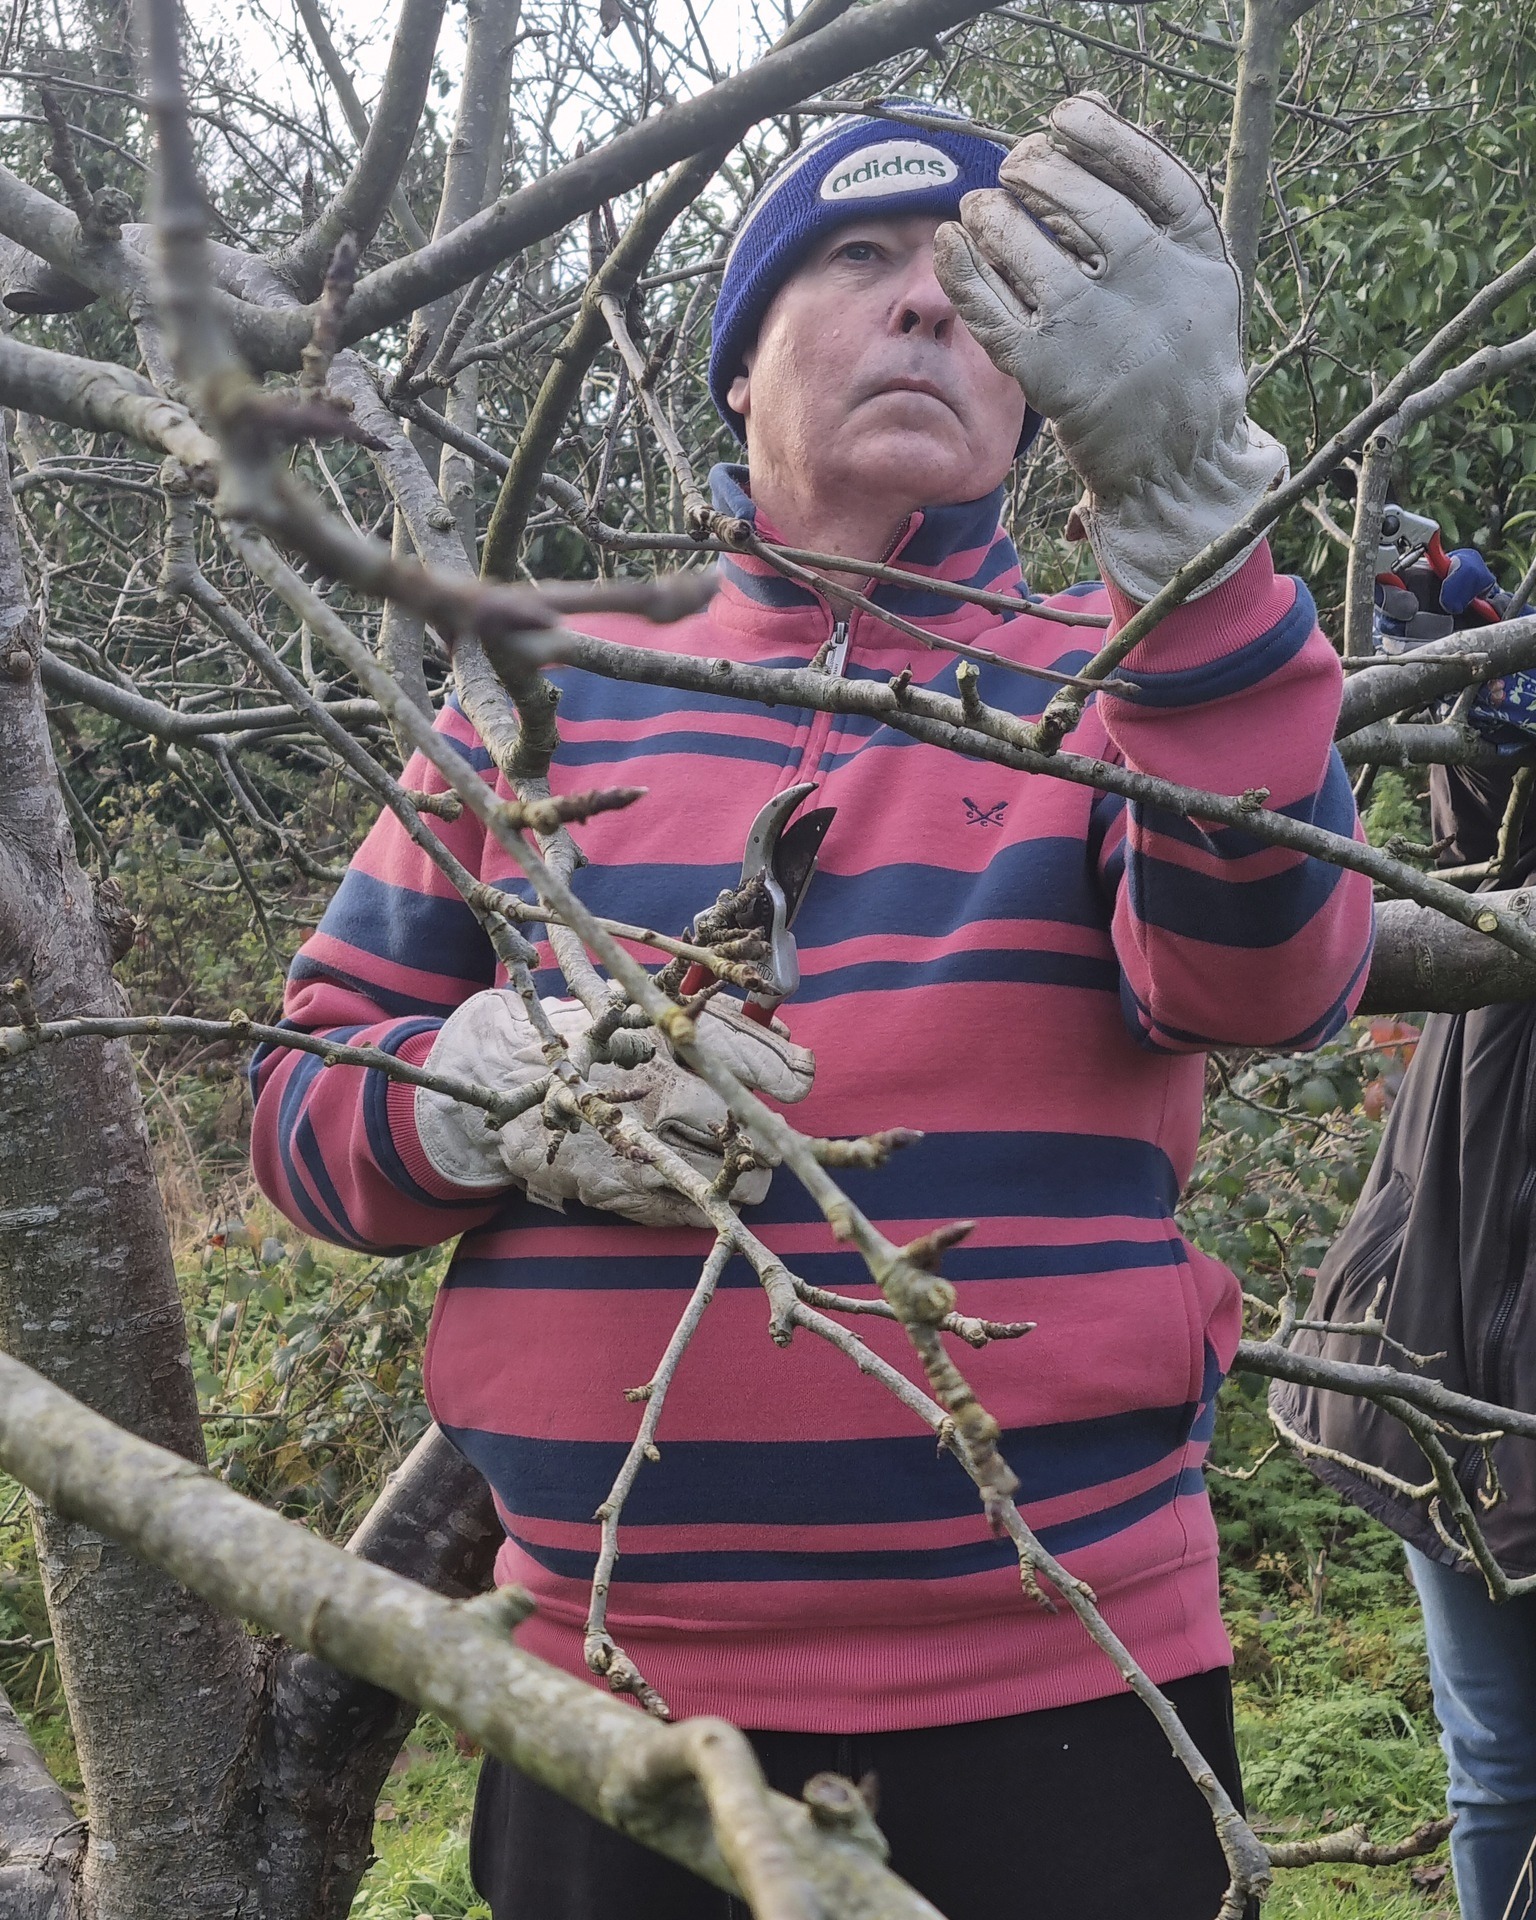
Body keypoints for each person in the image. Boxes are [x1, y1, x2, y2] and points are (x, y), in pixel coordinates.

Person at [252, 95, 1375, 1920]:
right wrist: (476, 1095)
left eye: (973, 278)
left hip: (1068, 1671)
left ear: (1038, 393)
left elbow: (1269, 975)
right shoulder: (548, 691)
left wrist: (1190, 541)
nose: (929, 303)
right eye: (861, 261)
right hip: (612, 1698)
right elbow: (301, 1113)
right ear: (741, 360)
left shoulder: (1121, 678)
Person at [1274, 741, 1536, 1920]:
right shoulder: (1507, 887)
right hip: (1453, 1363)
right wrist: (1490, 726)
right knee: (1496, 1767)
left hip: (1457, 1365)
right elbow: (1486, 841)